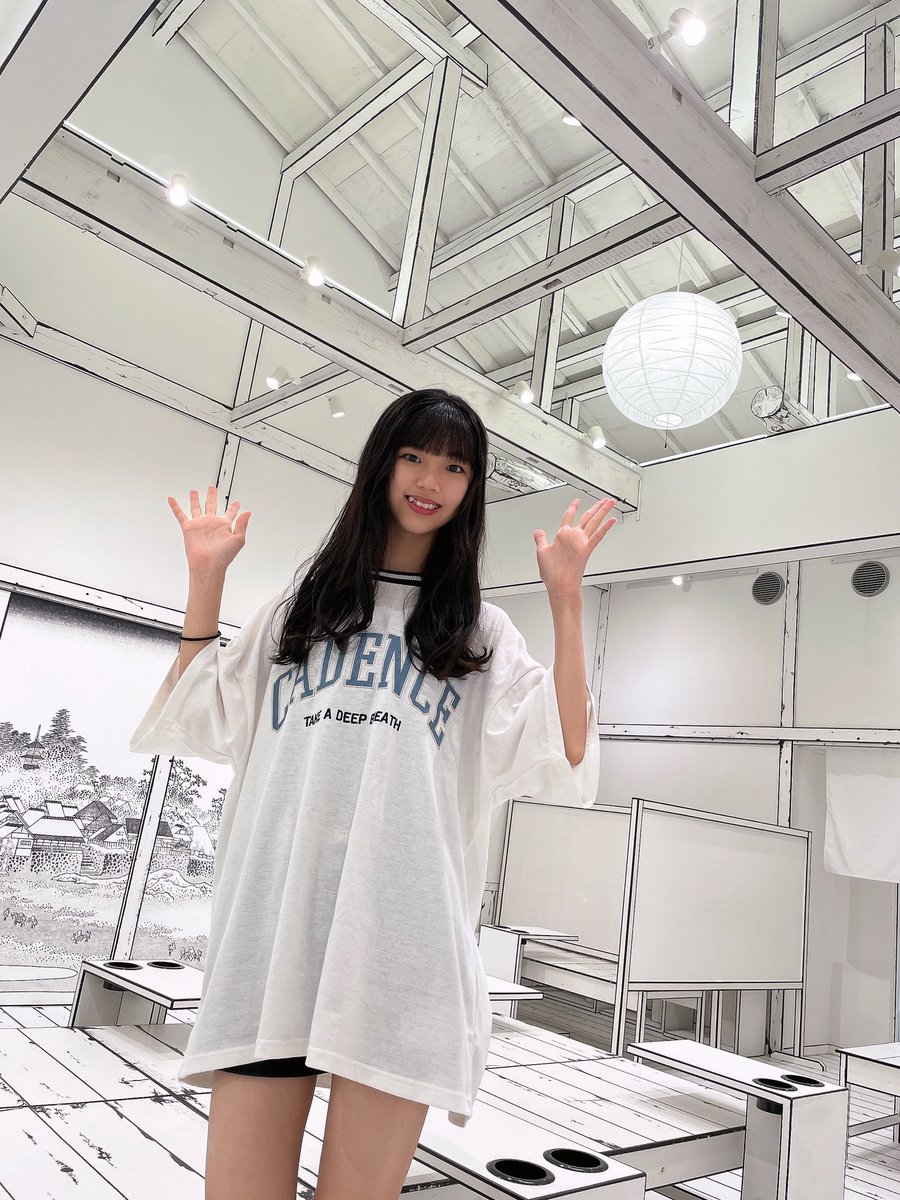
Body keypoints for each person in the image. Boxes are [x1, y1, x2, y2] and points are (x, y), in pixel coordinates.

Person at [129, 387, 614, 1200]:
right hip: (272, 939)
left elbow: (566, 751)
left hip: (402, 957)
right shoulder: (298, 614)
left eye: (455, 466)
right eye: (414, 456)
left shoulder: (479, 634)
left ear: (472, 488)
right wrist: (205, 579)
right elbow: (200, 716)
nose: (430, 480)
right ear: (381, 464)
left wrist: (567, 600)